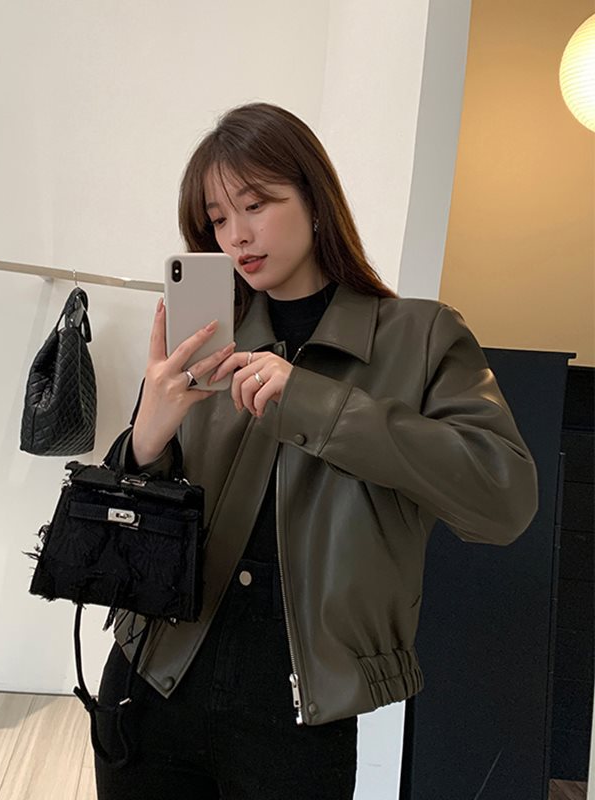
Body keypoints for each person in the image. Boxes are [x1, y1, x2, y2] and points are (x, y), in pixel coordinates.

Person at [93, 102, 538, 799]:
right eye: (218, 218)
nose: (237, 235)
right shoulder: (212, 336)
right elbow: (129, 529)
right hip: (150, 684)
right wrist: (147, 432)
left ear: (315, 199)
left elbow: (503, 499)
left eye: (256, 204)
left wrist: (314, 402)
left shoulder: (419, 338)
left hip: (298, 721)